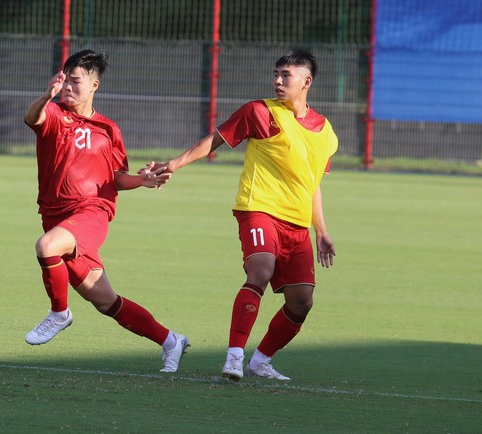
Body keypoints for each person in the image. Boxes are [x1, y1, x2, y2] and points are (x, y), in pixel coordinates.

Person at [155, 49, 337, 381]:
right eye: (276, 74)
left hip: (297, 225)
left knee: (301, 303)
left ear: (306, 81)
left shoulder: (326, 133)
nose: (278, 81)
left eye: (286, 75)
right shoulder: (259, 112)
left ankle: (260, 360)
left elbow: (312, 185)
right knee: (261, 270)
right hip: (258, 210)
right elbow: (215, 140)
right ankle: (235, 356)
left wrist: (321, 231)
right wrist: (174, 164)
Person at [23, 49, 189, 373]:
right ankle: (171, 340)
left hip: (91, 214)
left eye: (76, 81)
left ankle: (59, 313)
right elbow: (33, 118)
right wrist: (46, 96)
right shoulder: (55, 114)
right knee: (105, 301)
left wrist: (142, 180)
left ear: (95, 84)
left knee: (46, 247)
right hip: (57, 219)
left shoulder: (109, 129)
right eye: (65, 80)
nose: (68, 86)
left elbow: (116, 178)